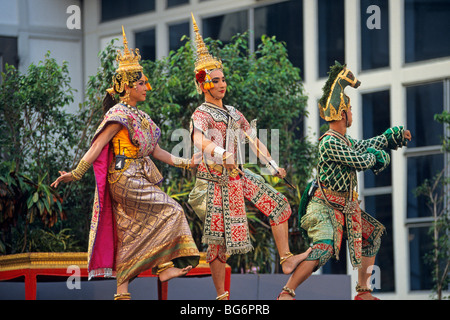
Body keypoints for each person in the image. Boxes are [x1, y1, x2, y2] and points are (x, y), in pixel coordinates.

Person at [51, 27, 200, 300]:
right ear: (128, 86)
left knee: (131, 232)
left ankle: (124, 290)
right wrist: (76, 173)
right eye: (142, 83)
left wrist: (186, 162)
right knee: (172, 210)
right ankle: (164, 267)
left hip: (137, 176)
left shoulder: (139, 115)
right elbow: (97, 146)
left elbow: (156, 151)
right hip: (125, 178)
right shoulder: (118, 114)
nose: (147, 87)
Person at [187, 14, 311, 300]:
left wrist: (272, 165)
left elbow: (253, 140)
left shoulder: (232, 112)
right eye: (215, 80)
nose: (222, 84)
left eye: (223, 79)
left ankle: (286, 258)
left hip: (238, 176)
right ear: (204, 84)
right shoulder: (202, 113)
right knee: (218, 243)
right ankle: (222, 296)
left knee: (280, 206)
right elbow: (197, 138)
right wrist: (220, 151)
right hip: (215, 181)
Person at [277, 61, 412, 300]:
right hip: (324, 207)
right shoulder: (330, 142)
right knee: (325, 247)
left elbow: (366, 146)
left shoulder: (345, 140)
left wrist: (391, 137)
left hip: (346, 208)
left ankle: (363, 292)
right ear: (342, 113)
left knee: (372, 235)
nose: (352, 114)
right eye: (349, 110)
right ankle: (287, 292)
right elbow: (359, 160)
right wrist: (378, 156)